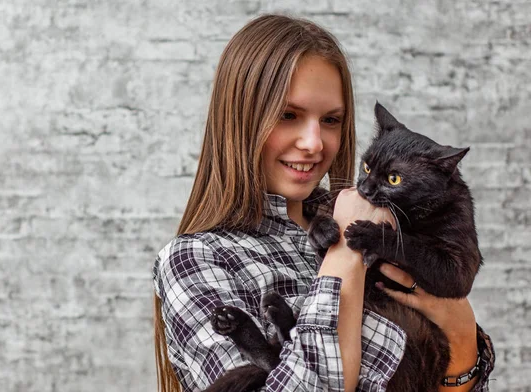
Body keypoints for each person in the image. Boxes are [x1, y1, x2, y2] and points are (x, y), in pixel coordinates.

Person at [152, 14, 495, 392]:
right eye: (288, 115)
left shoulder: (378, 217)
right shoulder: (196, 259)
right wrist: (348, 250)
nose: (314, 143)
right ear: (240, 119)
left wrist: (463, 344)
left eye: (331, 120)